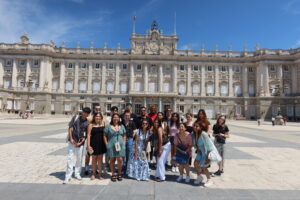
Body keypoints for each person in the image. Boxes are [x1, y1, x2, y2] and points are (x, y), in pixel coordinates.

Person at [63, 107, 91, 184]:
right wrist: (71, 138)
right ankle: (68, 176)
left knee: (79, 159)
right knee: (70, 158)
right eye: (84, 112)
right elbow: (70, 128)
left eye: (86, 113)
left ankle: (77, 173)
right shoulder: (75, 117)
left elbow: (86, 135)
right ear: (82, 112)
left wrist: (81, 142)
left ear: (88, 114)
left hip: (80, 143)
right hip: (71, 141)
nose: (84, 114)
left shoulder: (87, 123)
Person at [103, 113, 126, 182]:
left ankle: (119, 173)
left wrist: (124, 143)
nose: (116, 118)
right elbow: (104, 135)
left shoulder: (122, 126)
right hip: (111, 145)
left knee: (120, 159)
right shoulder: (108, 126)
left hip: (120, 145)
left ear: (119, 118)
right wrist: (106, 144)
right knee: (112, 160)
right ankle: (113, 174)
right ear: (112, 118)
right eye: (114, 117)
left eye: (117, 117)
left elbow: (124, 135)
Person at [193, 121, 214, 187]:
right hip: (200, 152)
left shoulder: (203, 134)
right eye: (194, 126)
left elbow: (209, 146)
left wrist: (207, 157)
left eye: (197, 126)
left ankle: (209, 180)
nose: (195, 127)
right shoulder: (195, 134)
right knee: (195, 164)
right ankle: (199, 177)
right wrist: (197, 149)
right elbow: (196, 144)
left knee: (204, 167)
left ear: (200, 127)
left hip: (206, 152)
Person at [87, 112, 107, 180]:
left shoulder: (103, 124)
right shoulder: (91, 125)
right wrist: (88, 145)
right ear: (94, 117)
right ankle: (93, 174)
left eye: (99, 116)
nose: (98, 118)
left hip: (101, 144)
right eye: (96, 116)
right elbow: (88, 135)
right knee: (94, 160)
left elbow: (105, 134)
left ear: (101, 117)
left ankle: (100, 175)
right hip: (93, 144)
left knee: (100, 160)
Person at [85, 103, 101, 176]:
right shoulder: (89, 118)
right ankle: (86, 168)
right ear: (94, 109)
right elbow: (85, 128)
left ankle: (95, 169)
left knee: (96, 154)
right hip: (90, 138)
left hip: (97, 139)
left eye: (99, 109)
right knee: (88, 154)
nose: (98, 110)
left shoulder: (101, 117)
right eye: (96, 109)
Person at [122, 110, 137, 175]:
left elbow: (135, 130)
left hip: (129, 139)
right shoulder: (121, 122)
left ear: (130, 116)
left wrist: (132, 136)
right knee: (123, 154)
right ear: (124, 116)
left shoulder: (132, 123)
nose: (127, 116)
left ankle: (127, 169)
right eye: (126, 115)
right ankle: (123, 168)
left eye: (128, 115)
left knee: (128, 154)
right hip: (122, 139)